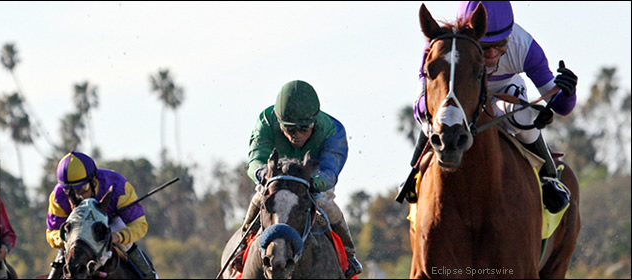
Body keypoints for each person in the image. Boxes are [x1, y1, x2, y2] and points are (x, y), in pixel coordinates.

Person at [398, 1, 578, 215]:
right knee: (437, 115)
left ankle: (549, 177)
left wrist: (568, 93)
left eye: (500, 44)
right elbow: (420, 103)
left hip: (503, 95)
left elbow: (561, 107)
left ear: (509, 35)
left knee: (523, 117)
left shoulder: (525, 46)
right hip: (464, 99)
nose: (492, 54)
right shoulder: (440, 47)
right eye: (484, 46)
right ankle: (414, 172)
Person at [234, 80, 361, 278]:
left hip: (312, 175)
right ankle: (241, 248)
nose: (297, 135)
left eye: (303, 129)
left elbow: (330, 170)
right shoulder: (265, 122)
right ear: (279, 122)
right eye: (289, 129)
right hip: (276, 173)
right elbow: (255, 160)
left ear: (314, 122)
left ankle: (349, 254)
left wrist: (316, 182)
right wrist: (263, 174)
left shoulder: (333, 131)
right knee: (260, 198)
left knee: (325, 202)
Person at [46, 151, 157, 279]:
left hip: (111, 226)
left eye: (82, 189)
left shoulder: (119, 186)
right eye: (69, 191)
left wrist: (118, 237)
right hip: (76, 233)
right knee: (64, 252)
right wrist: (68, 237)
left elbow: (140, 225)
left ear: (94, 181)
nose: (77, 197)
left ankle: (150, 275)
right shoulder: (58, 196)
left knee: (122, 233)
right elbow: (51, 233)